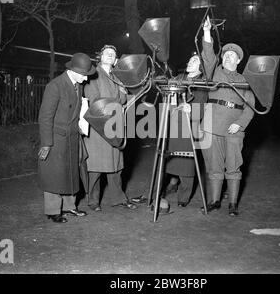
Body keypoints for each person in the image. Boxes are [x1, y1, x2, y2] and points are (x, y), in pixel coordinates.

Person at [131, 54, 208, 209]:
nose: (190, 62)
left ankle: (184, 197)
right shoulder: (179, 77)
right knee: (162, 162)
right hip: (171, 125)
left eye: (195, 61)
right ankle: (150, 195)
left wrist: (190, 109)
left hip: (188, 127)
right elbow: (165, 90)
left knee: (187, 164)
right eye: (190, 59)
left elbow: (201, 110)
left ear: (201, 67)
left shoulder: (202, 83)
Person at [199, 16, 255, 216]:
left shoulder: (245, 80)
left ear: (239, 61)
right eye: (226, 55)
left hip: (233, 128)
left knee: (233, 166)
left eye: (232, 55)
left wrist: (240, 124)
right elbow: (208, 56)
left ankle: (232, 204)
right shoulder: (215, 73)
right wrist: (207, 32)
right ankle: (214, 201)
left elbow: (250, 107)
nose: (228, 57)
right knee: (214, 166)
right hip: (212, 125)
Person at [38, 53, 95, 223]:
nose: (86, 79)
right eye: (84, 75)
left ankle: (69, 206)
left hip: (72, 136)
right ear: (73, 70)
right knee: (54, 174)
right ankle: (53, 210)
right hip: (56, 138)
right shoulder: (55, 86)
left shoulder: (77, 85)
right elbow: (45, 117)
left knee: (71, 172)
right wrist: (47, 143)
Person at [83, 45, 137, 212]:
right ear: (100, 56)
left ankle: (118, 198)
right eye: (106, 53)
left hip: (114, 125)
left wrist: (124, 95)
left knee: (115, 164)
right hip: (99, 124)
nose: (109, 55)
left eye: (112, 54)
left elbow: (123, 98)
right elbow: (94, 100)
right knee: (96, 167)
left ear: (115, 60)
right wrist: (117, 103)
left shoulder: (117, 77)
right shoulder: (93, 75)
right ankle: (93, 201)